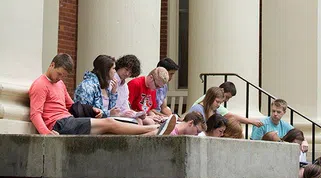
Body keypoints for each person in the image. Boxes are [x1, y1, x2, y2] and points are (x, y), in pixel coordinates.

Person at [29, 54, 176, 136]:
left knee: (111, 127)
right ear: (52, 65)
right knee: (110, 124)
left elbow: (71, 105)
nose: (60, 78)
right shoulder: (40, 84)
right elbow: (35, 114)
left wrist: (92, 110)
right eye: (59, 74)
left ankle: (154, 132)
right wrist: (46, 134)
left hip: (68, 120)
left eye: (63, 76)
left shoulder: (59, 84)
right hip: (59, 124)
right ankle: (154, 130)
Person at [191, 81, 263, 128]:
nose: (225, 100)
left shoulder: (214, 108)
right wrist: (251, 121)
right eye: (226, 97)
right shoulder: (199, 108)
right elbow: (230, 116)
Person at [113, 54, 142, 119]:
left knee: (141, 119)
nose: (127, 74)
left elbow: (125, 107)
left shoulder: (125, 86)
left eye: (130, 72)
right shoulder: (111, 80)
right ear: (120, 66)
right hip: (111, 117)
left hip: (121, 116)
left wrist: (136, 114)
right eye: (126, 69)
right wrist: (122, 114)